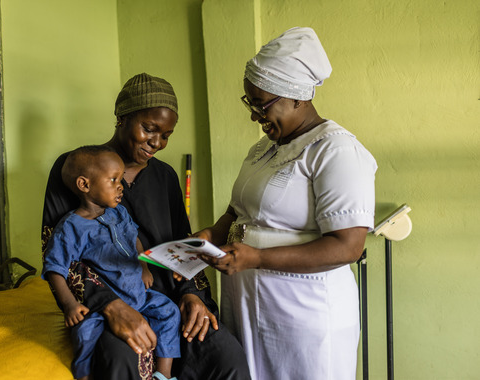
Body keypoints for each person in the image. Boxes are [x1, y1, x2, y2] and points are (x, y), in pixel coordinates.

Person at [194, 27, 377, 379]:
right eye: (249, 102)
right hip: (250, 308)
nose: (254, 115)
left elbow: (348, 246)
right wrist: (210, 235)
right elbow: (237, 212)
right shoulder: (263, 148)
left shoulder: (335, 151)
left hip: (304, 316)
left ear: (297, 97)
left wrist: (258, 258)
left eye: (262, 103)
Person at [41, 73, 251, 380]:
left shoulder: (165, 177)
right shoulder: (77, 168)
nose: (157, 142)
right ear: (122, 118)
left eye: (166, 134)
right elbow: (58, 256)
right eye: (149, 129)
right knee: (121, 358)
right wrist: (112, 307)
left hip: (166, 299)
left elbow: (182, 242)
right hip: (107, 302)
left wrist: (192, 294)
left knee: (225, 355)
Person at [42, 146, 180, 380]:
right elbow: (55, 269)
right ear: (84, 185)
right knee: (84, 333)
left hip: (140, 296)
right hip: (105, 307)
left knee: (169, 312)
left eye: (121, 179)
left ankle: (164, 374)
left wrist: (144, 266)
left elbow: (134, 238)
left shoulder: (119, 213)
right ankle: (84, 375)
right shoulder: (71, 228)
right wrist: (69, 305)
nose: (121, 186)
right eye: (114, 179)